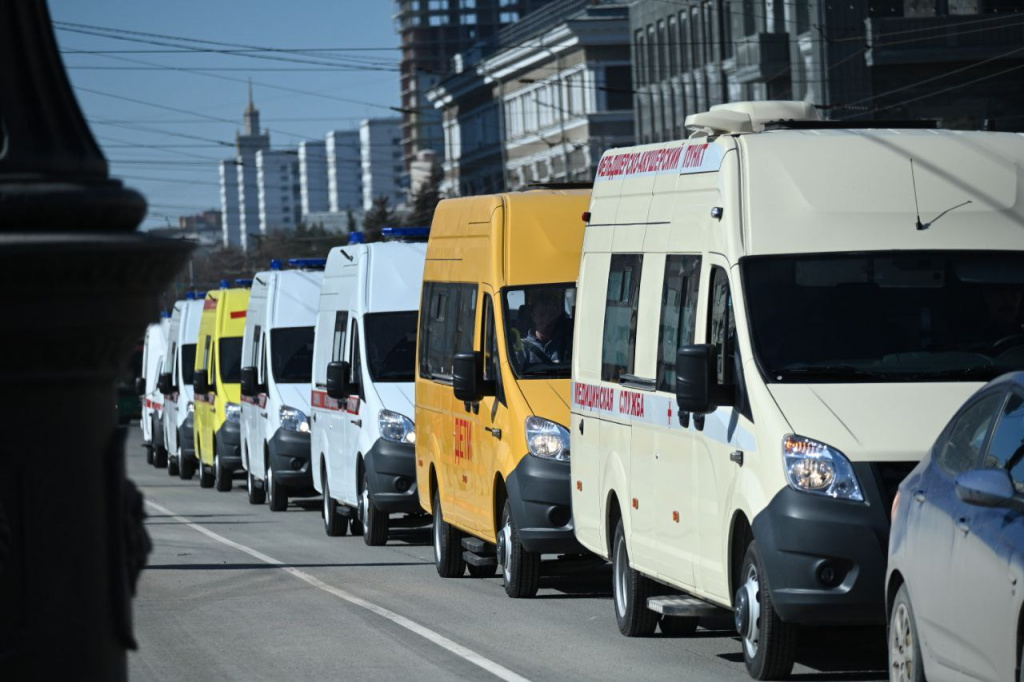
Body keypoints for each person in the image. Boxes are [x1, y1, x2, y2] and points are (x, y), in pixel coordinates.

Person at [518, 292, 571, 369]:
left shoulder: (567, 344)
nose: (547, 319)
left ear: (557, 317)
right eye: (542, 314)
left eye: (551, 314)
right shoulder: (522, 348)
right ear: (533, 316)